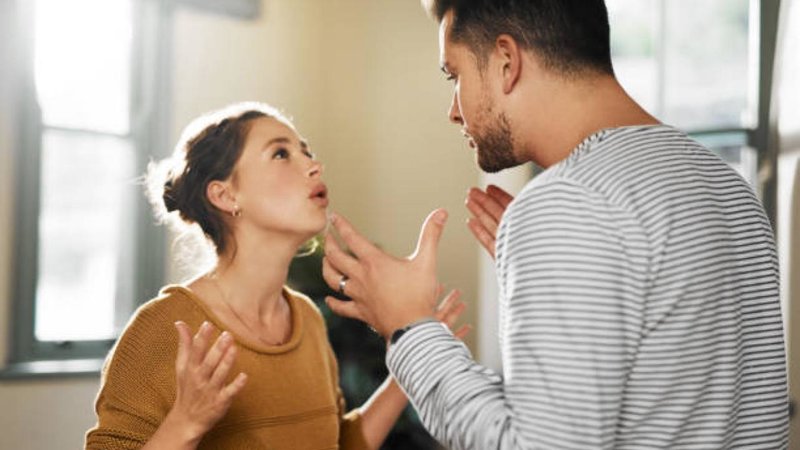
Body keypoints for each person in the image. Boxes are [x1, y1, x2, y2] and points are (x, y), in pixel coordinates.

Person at [320, 0, 789, 449]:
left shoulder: (567, 203)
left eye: (454, 75)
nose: (453, 109)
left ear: (506, 59)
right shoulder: (727, 185)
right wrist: (555, 267)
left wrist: (409, 327)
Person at [84, 102, 468, 450]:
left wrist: (404, 370)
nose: (313, 165)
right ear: (224, 195)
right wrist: (185, 424)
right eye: (281, 153)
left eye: (307, 151)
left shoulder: (308, 321)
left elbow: (337, 444)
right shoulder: (166, 328)